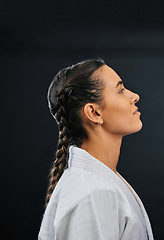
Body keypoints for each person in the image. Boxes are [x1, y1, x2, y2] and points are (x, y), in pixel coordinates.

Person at [39, 59, 154, 240]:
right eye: (121, 90)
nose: (135, 96)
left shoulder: (97, 183)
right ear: (94, 113)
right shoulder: (93, 193)